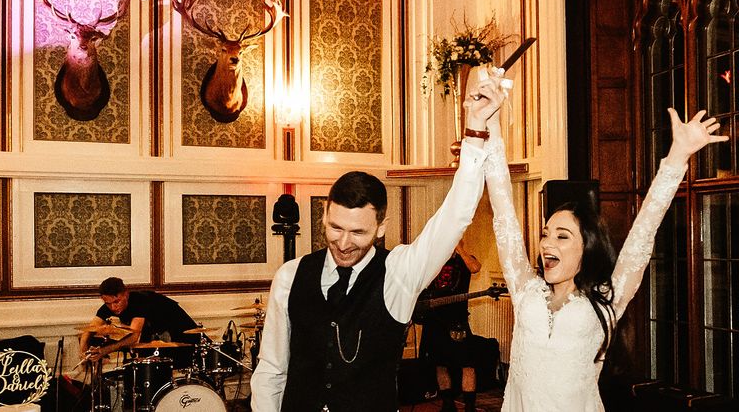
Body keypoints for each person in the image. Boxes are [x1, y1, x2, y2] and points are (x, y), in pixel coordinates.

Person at [250, 68, 510, 412]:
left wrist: (475, 128)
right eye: (335, 227)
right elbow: (271, 371)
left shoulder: (399, 273)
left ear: (381, 227)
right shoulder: (290, 277)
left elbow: (454, 217)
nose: (343, 242)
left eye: (358, 232)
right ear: (325, 216)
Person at [486, 107, 727, 411]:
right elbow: (503, 210)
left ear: (586, 248)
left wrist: (677, 156)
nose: (547, 243)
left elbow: (644, 230)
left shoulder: (606, 301)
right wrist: (491, 124)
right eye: (545, 234)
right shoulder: (526, 292)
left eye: (562, 236)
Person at [419, 236, 481, 412]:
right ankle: (447, 404)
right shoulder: (434, 262)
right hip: (435, 320)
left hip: (457, 320)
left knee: (468, 364)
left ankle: (470, 406)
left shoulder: (466, 261)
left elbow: (475, 268)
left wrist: (459, 249)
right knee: (440, 363)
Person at [79, 277, 199, 365]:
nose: (113, 307)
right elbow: (90, 329)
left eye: (117, 302)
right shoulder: (109, 306)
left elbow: (133, 337)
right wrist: (83, 351)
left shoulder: (140, 301)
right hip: (159, 337)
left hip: (183, 333)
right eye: (108, 303)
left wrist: (103, 351)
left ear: (126, 294)